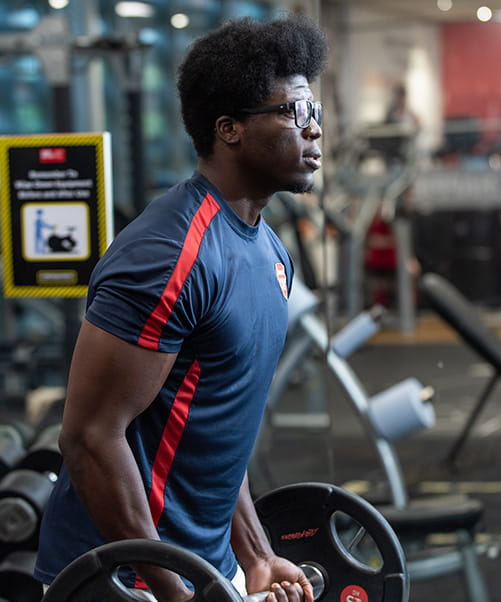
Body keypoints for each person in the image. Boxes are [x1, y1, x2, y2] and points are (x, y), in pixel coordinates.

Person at [34, 14, 328, 602]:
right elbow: (89, 438)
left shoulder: (268, 251)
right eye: (295, 114)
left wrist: (256, 555)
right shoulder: (168, 255)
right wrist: (171, 590)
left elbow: (214, 429)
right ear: (229, 130)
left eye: (315, 112)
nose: (314, 131)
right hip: (119, 580)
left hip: (201, 570)